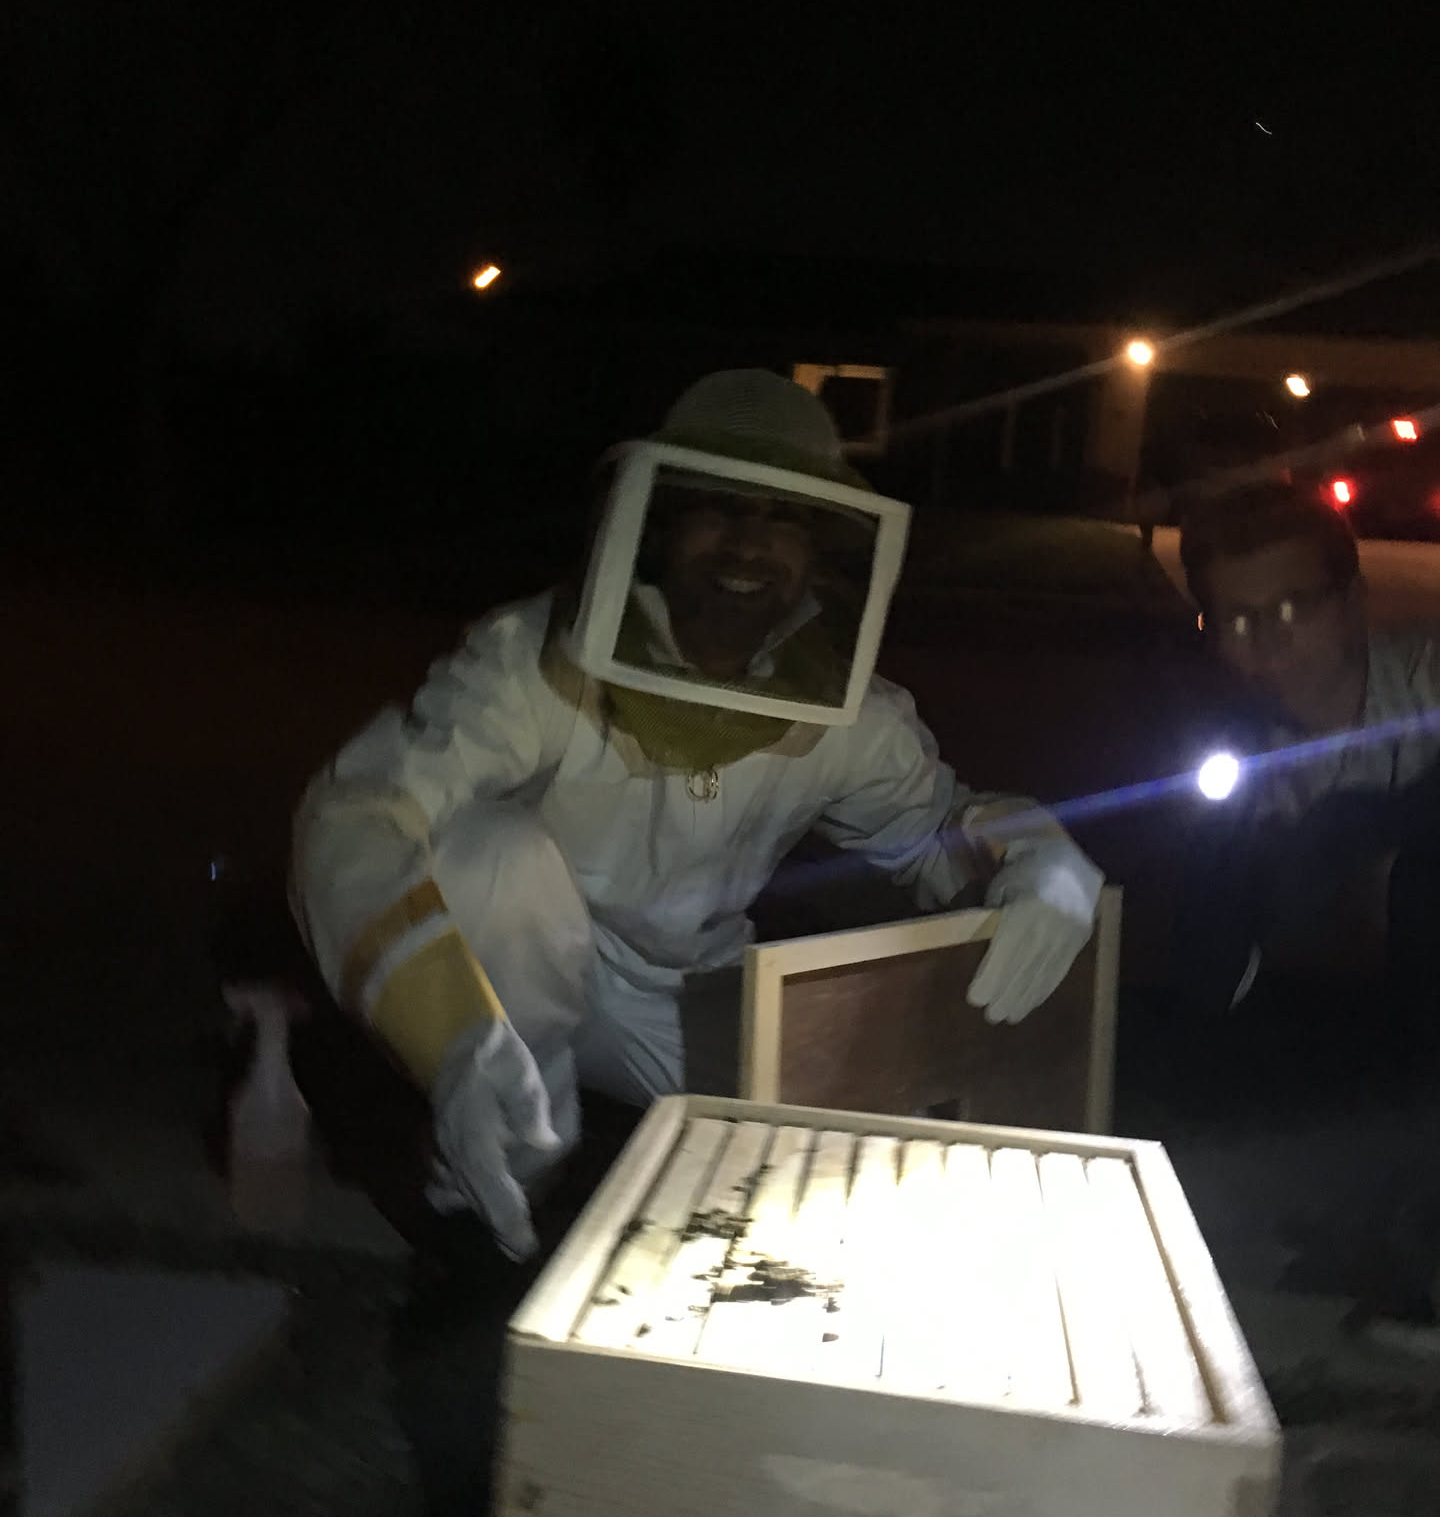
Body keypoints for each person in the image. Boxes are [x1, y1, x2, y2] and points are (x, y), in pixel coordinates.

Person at [291, 369, 1103, 1265]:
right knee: (491, 854)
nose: (749, 544)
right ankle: (496, 1172)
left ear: (820, 546)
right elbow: (359, 813)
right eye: (718, 507)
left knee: (839, 1171)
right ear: (658, 521)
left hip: (687, 992)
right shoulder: (530, 661)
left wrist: (1037, 855)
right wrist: (447, 1035)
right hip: (520, 961)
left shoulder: (852, 717)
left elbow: (939, 829)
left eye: (784, 518)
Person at [1172, 479, 1440, 1320]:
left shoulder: (1428, 681)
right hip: (1325, 1027)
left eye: (1294, 608)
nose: (1268, 643)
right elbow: (1212, 966)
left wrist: (1361, 836)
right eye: (1237, 619)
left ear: (1352, 602)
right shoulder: (1220, 745)